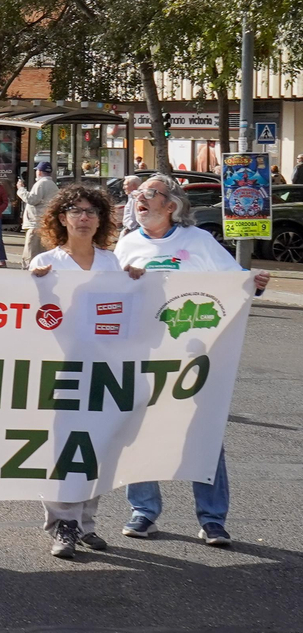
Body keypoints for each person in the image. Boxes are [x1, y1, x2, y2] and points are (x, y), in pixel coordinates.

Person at [114, 174, 270, 547]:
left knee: (204, 434)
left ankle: (212, 519)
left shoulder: (198, 241)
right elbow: (108, 292)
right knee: (140, 432)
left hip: (195, 359)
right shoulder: (127, 243)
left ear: (171, 206)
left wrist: (255, 282)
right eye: (138, 193)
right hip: (144, 357)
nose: (140, 198)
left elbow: (234, 283)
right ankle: (144, 511)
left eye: (150, 193)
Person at [27, 185, 138, 558]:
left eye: (92, 212)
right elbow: (29, 318)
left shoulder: (113, 264)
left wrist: (140, 282)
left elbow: (134, 313)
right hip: (62, 371)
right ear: (62, 218)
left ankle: (86, 522)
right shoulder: (47, 264)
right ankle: (63, 523)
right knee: (62, 449)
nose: (84, 218)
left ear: (101, 219)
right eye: (76, 211)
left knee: (98, 448)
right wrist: (34, 285)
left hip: (105, 371)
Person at [18, 163, 60, 259]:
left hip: (35, 224)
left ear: (39, 172)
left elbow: (32, 199)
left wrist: (21, 189)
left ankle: (29, 269)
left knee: (30, 254)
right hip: (44, 223)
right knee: (43, 255)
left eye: (37, 170)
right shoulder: (53, 185)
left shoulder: (41, 183)